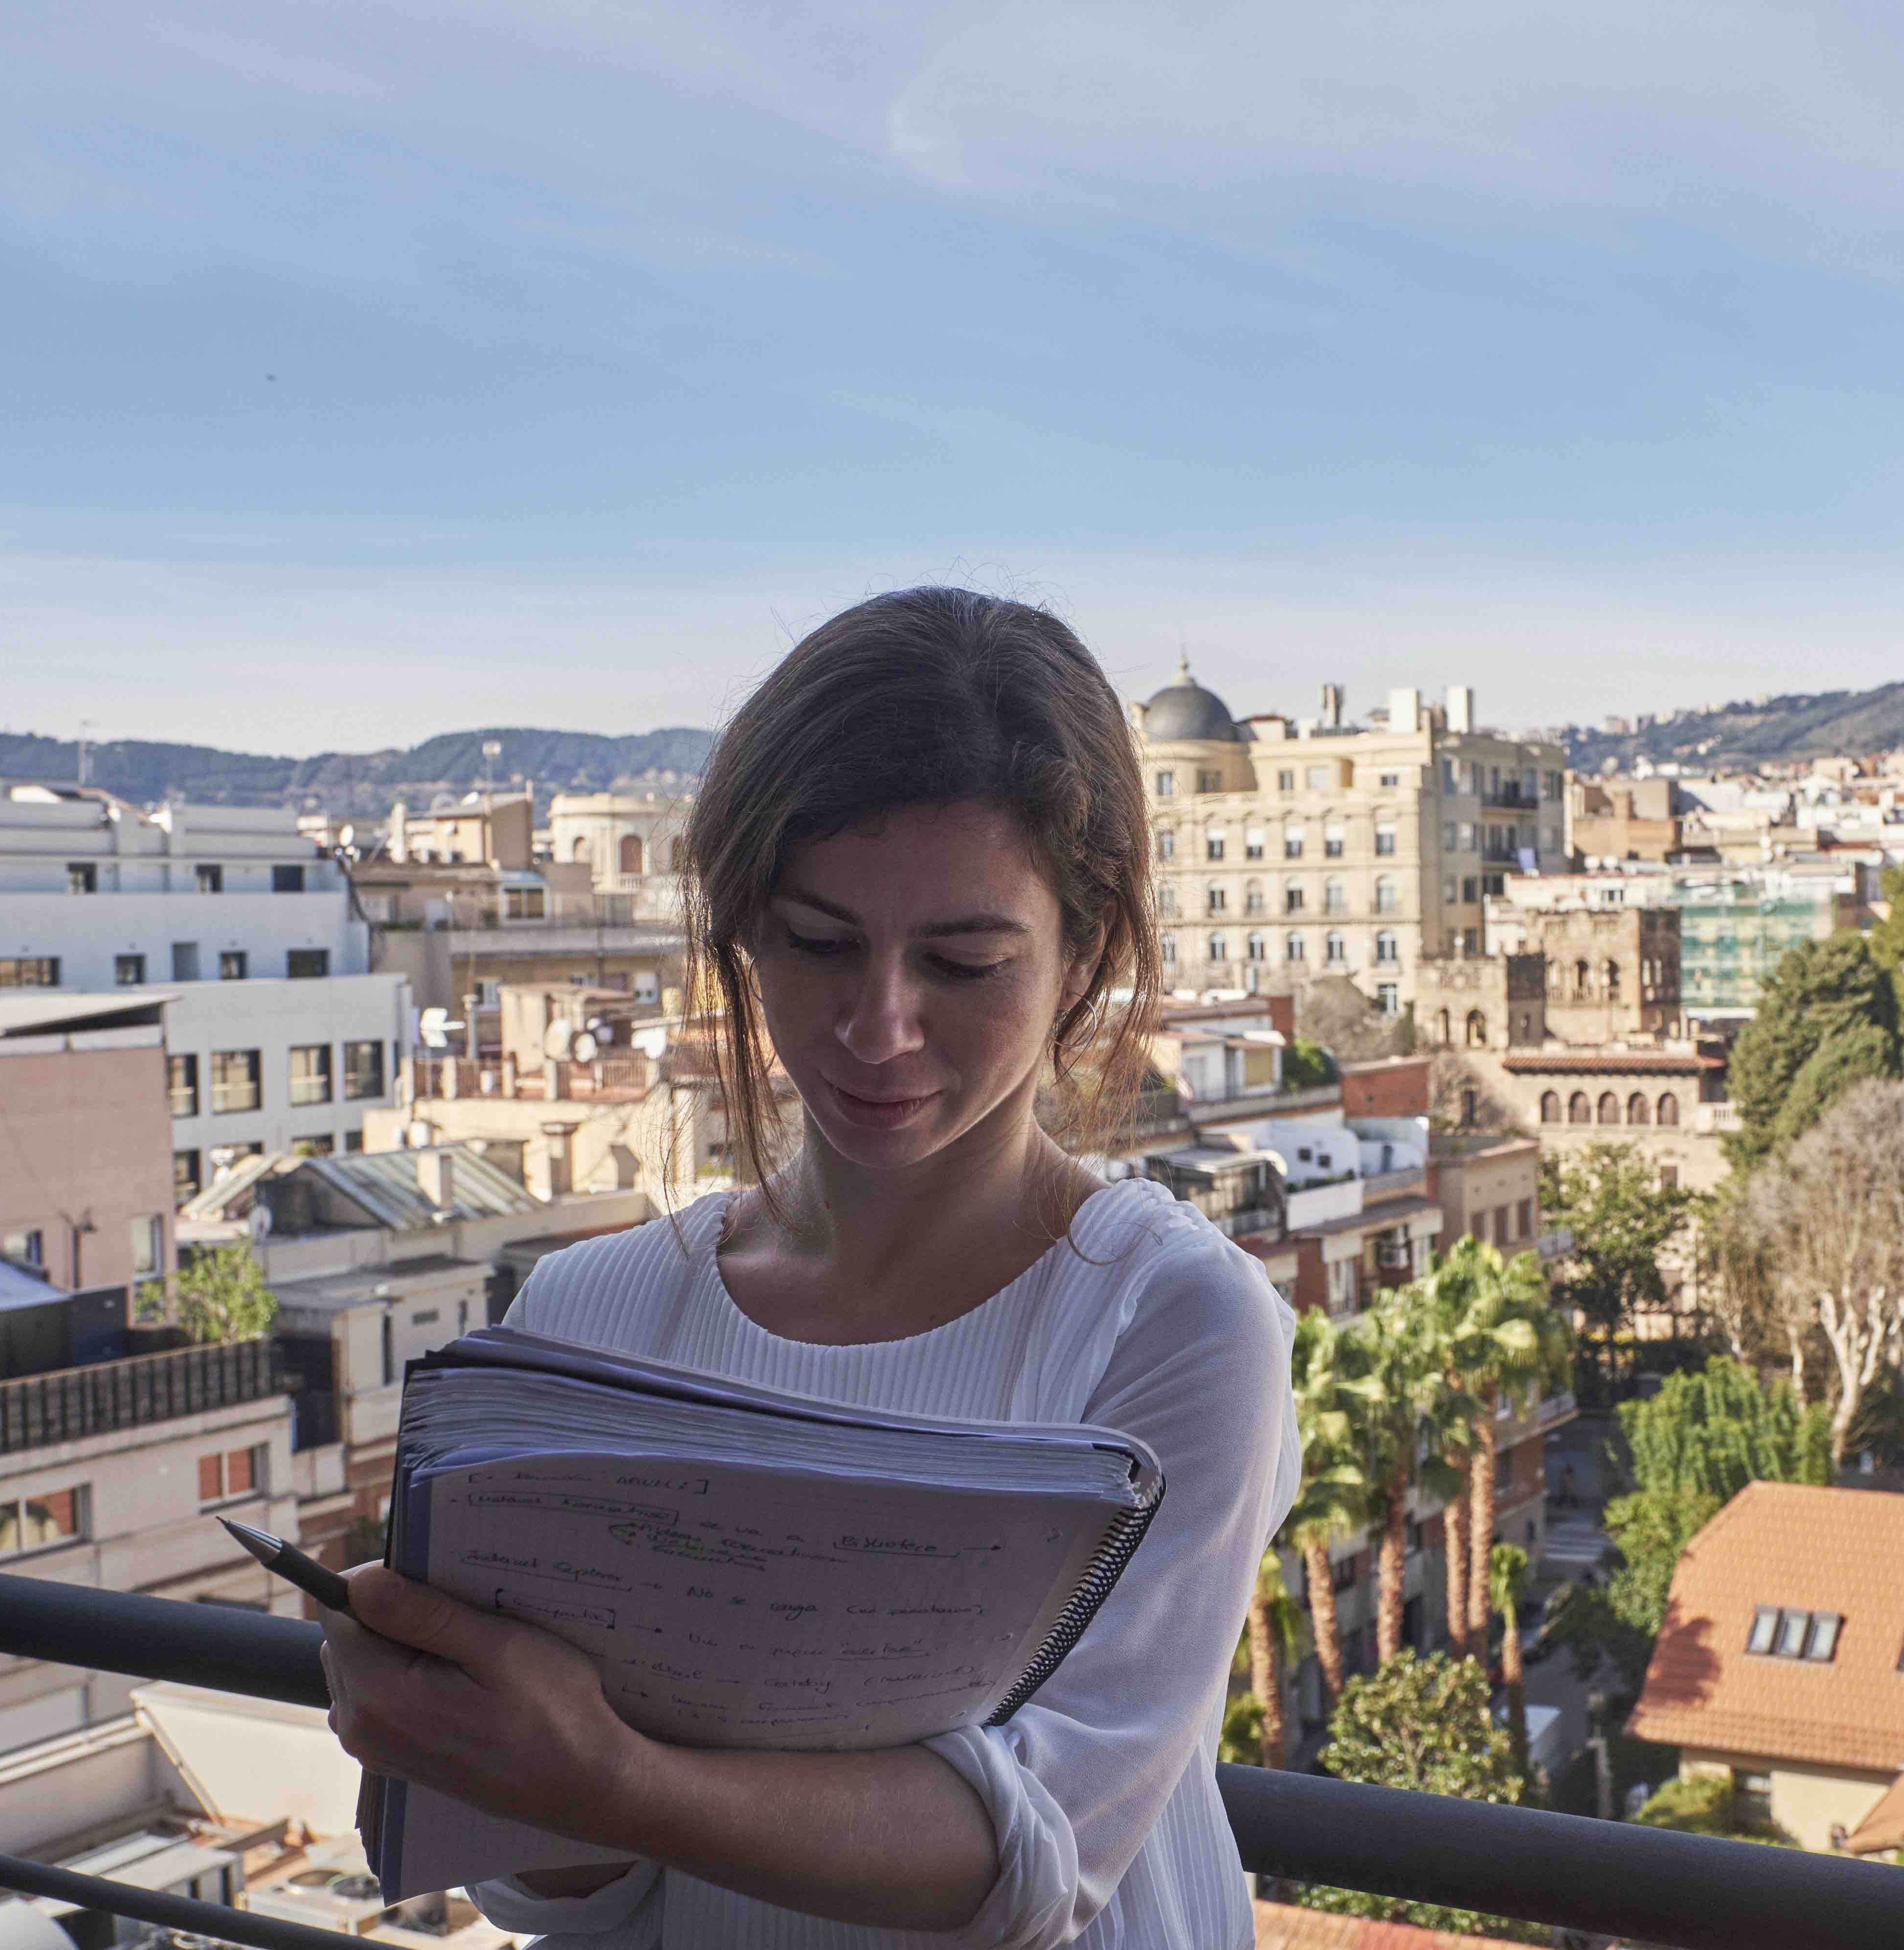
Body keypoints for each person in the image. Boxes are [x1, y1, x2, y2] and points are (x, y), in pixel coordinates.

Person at [320, 588, 1300, 1949]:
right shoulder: (582, 1318)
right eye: (818, 942)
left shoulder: (1172, 1320)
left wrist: (608, 1774)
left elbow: (1041, 1857)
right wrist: (473, 1743)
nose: (878, 1026)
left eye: (961, 962)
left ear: (1084, 962)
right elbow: (553, 1889)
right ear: (742, 934)